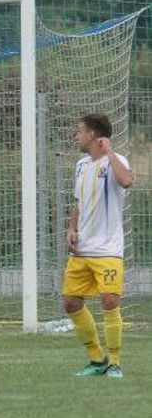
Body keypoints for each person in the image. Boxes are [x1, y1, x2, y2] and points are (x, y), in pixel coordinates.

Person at [63, 113, 134, 379]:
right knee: (71, 303)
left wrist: (111, 153)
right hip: (82, 250)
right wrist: (72, 228)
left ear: (93, 135)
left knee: (109, 300)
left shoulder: (117, 161)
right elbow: (79, 203)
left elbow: (127, 181)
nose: (76, 135)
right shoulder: (81, 165)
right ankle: (96, 359)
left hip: (107, 250)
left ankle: (115, 362)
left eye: (79, 131)